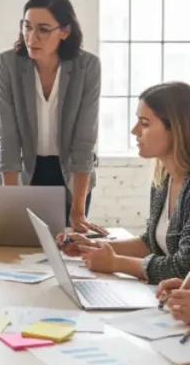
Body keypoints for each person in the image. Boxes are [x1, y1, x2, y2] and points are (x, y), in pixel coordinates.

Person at [0, 0, 106, 234]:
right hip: (26, 171)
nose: (31, 37)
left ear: (64, 31)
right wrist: (10, 205)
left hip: (71, 176)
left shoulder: (87, 67)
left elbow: (84, 140)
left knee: (68, 251)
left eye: (43, 29)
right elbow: (9, 139)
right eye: (27, 27)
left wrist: (77, 211)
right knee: (20, 244)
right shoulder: (8, 64)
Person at [61, 82, 190, 285]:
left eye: (145, 123)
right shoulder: (163, 178)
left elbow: (183, 268)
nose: (134, 131)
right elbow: (151, 243)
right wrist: (93, 246)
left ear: (176, 128)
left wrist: (116, 263)